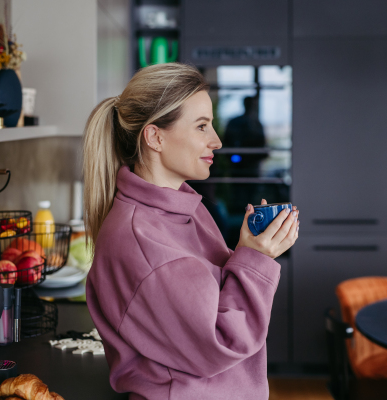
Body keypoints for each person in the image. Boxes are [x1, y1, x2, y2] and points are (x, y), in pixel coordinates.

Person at [83, 63, 300, 400]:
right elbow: (220, 339)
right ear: (155, 136)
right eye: (202, 126)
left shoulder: (186, 207)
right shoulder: (141, 240)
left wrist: (247, 249)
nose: (216, 140)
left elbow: (211, 296)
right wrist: (256, 258)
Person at [223, 96, 267, 177]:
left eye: (252, 104)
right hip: (239, 166)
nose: (250, 106)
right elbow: (227, 141)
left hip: (252, 166)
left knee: (250, 187)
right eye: (249, 104)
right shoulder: (236, 122)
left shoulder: (256, 124)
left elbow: (262, 144)